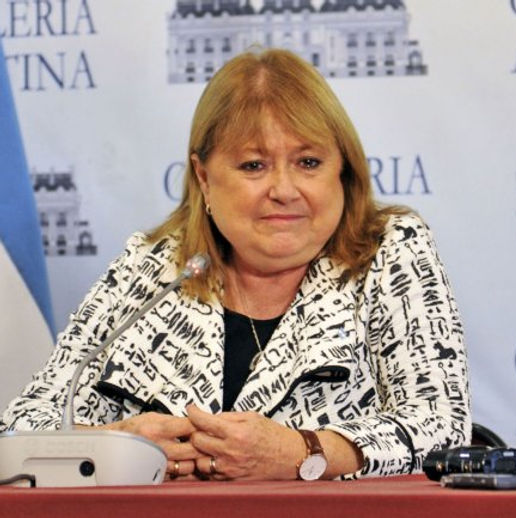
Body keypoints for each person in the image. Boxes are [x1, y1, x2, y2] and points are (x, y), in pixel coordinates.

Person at [0, 48, 470, 480]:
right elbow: (20, 427)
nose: (283, 190)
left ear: (343, 172)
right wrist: (115, 443)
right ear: (204, 177)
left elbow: (441, 428)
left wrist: (302, 452)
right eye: (253, 166)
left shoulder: (388, 251)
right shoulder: (152, 268)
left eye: (308, 162)